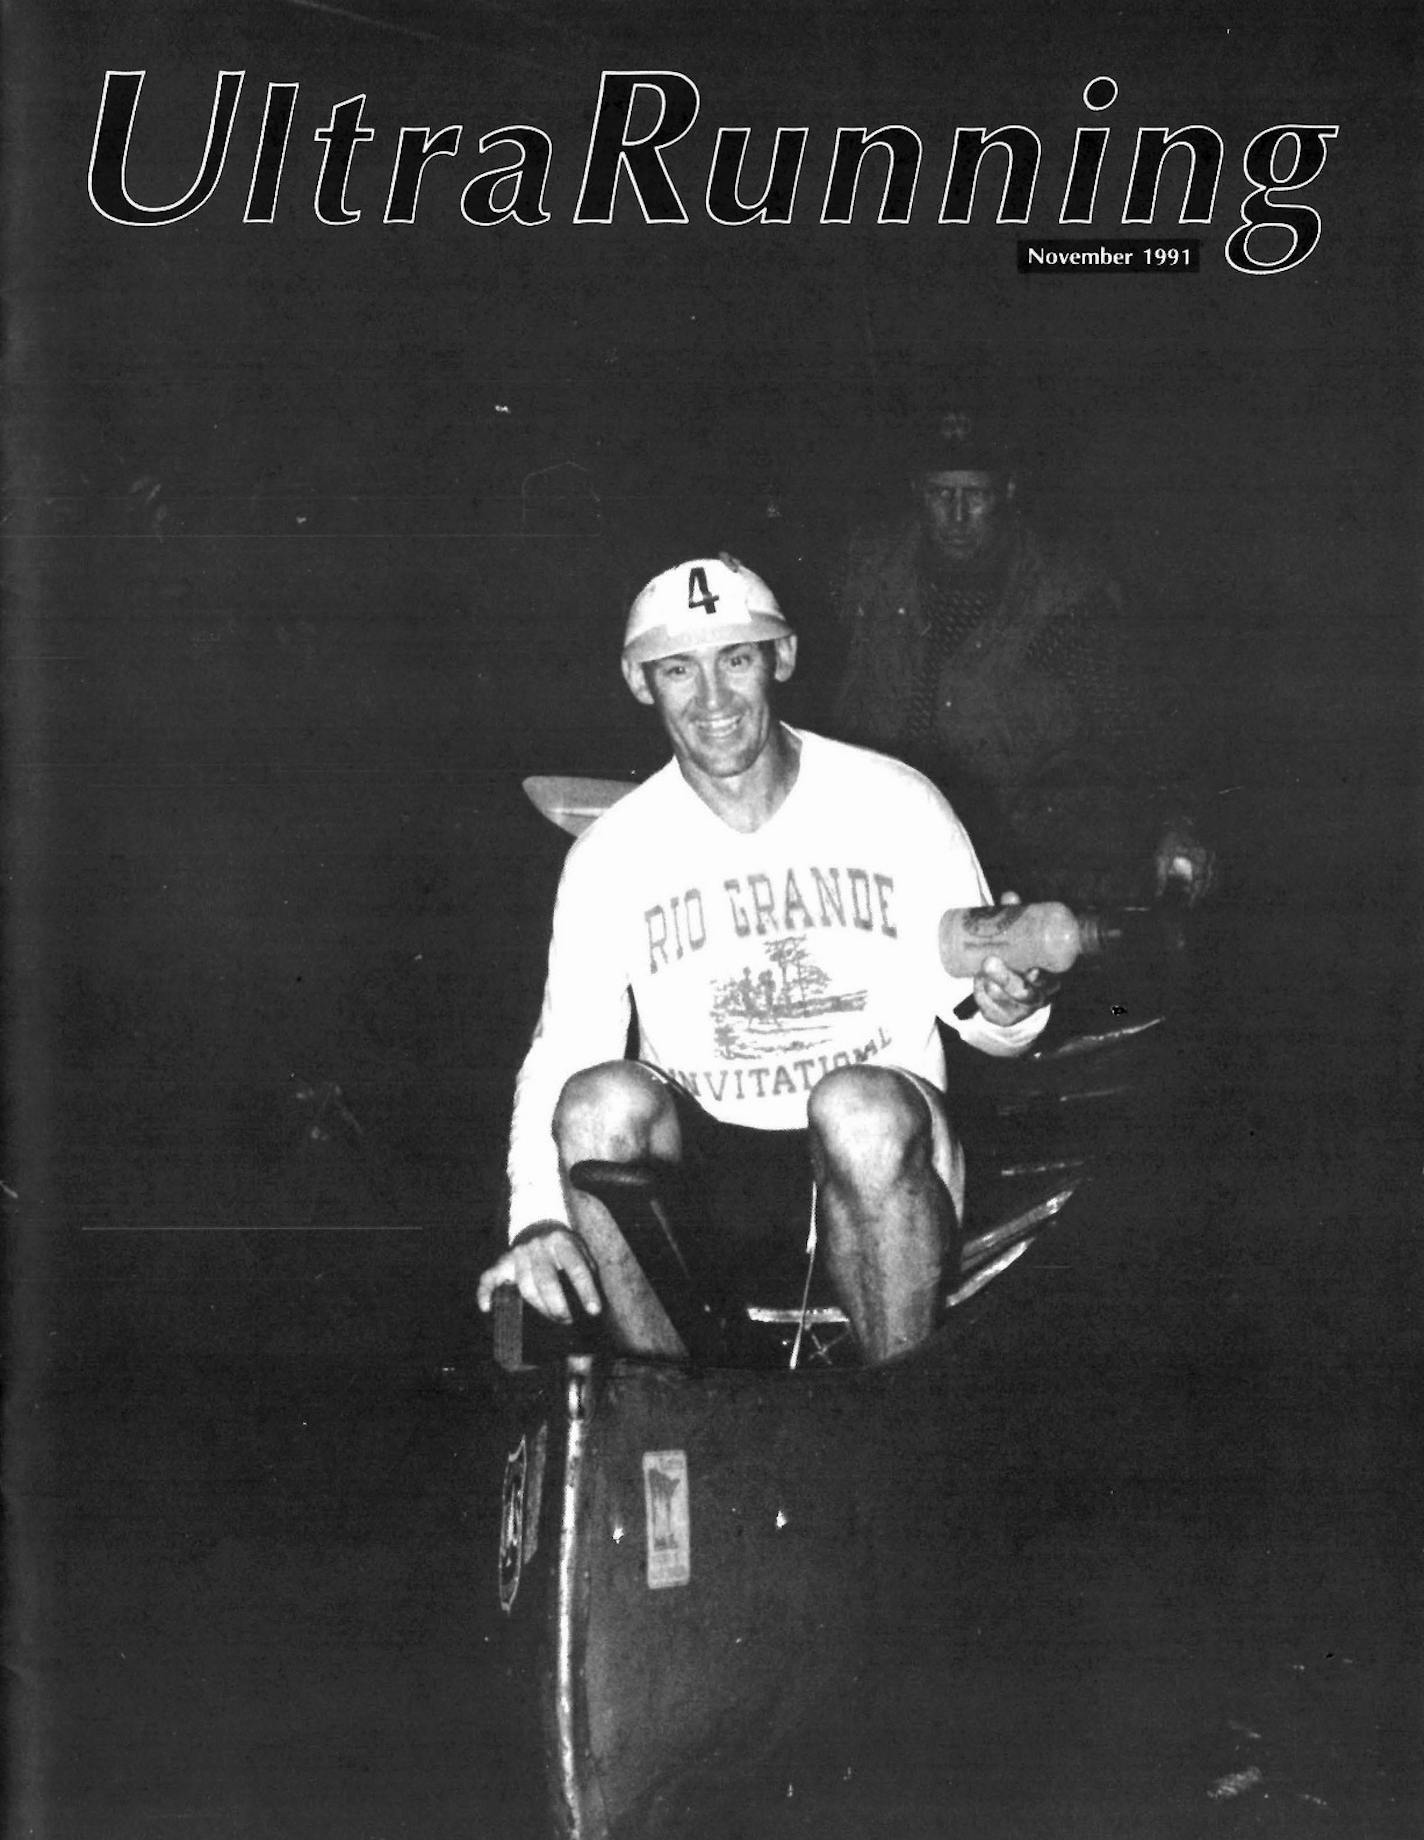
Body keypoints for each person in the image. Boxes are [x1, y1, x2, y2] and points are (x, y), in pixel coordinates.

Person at [475, 555, 1054, 1366]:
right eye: (679, 669)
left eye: (735, 660)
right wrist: (535, 1218)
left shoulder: (897, 803)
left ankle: (897, 1415)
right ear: (641, 682)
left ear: (781, 658)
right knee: (596, 1104)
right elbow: (565, 1049)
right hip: (715, 1172)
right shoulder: (611, 853)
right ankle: (669, 1412)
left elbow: (991, 1029)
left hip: (880, 1158)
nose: (711, 701)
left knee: (858, 1108)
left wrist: (1012, 1005)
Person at [829, 410, 1214, 907]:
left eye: (976, 495)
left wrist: (1177, 824)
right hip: (886, 839)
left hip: (1021, 856)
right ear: (917, 493)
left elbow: (1140, 726)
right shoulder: (869, 570)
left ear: (1007, 493)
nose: (957, 516)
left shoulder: (1065, 595)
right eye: (941, 495)